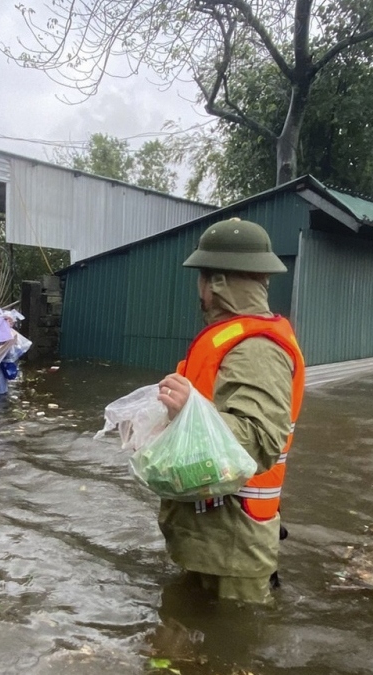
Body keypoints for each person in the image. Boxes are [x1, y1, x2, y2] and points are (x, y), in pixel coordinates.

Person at [154, 218, 306, 605]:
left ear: (216, 282)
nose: (199, 290)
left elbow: (258, 441)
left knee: (233, 650)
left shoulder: (256, 348)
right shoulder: (233, 338)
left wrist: (188, 410)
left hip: (233, 542)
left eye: (201, 279)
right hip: (214, 536)